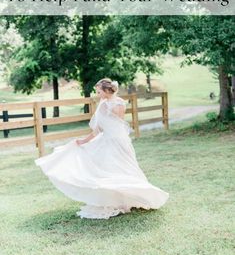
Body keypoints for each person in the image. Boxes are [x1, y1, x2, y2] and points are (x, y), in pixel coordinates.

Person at [35, 78, 169, 219]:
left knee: (112, 170)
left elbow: (98, 130)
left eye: (99, 91)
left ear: (105, 91)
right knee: (124, 168)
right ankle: (128, 198)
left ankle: (118, 200)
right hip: (122, 140)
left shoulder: (104, 106)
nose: (97, 94)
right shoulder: (120, 103)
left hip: (112, 141)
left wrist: (84, 141)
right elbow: (118, 124)